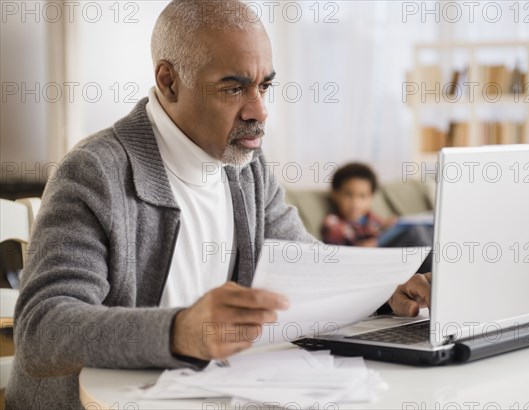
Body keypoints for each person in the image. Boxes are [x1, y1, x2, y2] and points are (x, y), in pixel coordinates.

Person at [5, 1, 431, 408]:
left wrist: (382, 292)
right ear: (169, 81)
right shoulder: (95, 172)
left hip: (218, 394)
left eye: (265, 85)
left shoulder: (245, 165)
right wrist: (179, 332)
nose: (260, 111)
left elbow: (309, 268)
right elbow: (41, 330)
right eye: (234, 87)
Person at [321, 162, 397, 247]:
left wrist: (386, 227)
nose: (355, 203)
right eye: (348, 194)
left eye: (362, 196)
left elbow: (380, 227)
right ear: (335, 194)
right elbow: (345, 238)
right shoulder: (332, 222)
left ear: (371, 197)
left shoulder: (371, 217)